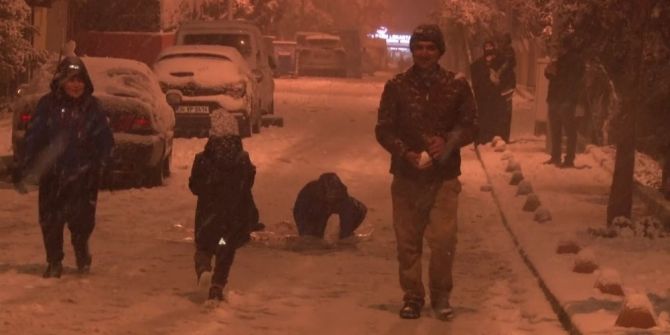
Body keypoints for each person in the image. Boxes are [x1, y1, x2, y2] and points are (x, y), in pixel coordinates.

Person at [375, 24, 478, 321]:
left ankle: (442, 295)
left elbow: (471, 124)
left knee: (444, 241)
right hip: (407, 177)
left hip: (444, 177)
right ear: (412, 50)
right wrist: (404, 152)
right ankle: (412, 296)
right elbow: (383, 129)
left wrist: (448, 141)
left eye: (430, 48)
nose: (424, 53)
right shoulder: (396, 86)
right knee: (408, 241)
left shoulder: (456, 85)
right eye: (419, 47)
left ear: (440, 51)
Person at [13, 56, 114, 278]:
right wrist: (28, 163)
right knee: (51, 221)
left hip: (83, 176)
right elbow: (34, 137)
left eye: (80, 80)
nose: (75, 85)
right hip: (53, 175)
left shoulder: (93, 107)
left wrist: (101, 162)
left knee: (81, 221)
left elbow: (104, 139)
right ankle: (54, 260)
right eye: (71, 80)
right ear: (61, 82)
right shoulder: (47, 106)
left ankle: (81, 251)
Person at [188, 110, 258, 301]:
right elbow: (247, 185)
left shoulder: (202, 159)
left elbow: (194, 186)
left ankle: (203, 270)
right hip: (230, 219)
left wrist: (209, 188)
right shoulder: (242, 159)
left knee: (203, 247)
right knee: (225, 250)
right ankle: (217, 285)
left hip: (207, 217)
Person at [544, 38, 586, 168]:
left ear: (565, 47)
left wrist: (553, 70)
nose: (557, 50)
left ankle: (567, 158)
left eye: (559, 47)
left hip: (565, 99)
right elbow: (551, 75)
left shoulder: (574, 60)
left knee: (567, 130)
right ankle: (557, 156)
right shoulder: (560, 60)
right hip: (557, 98)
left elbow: (571, 80)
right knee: (558, 129)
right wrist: (549, 70)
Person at [293, 172, 367, 240]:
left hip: (331, 205)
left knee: (345, 236)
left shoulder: (345, 202)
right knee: (311, 235)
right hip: (315, 205)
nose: (332, 195)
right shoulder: (310, 193)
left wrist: (346, 233)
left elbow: (359, 212)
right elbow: (299, 211)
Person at [470, 40, 513, 144]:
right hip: (484, 96)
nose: (488, 49)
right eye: (486, 47)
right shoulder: (478, 64)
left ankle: (499, 137)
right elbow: (476, 79)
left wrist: (500, 82)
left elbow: (509, 76)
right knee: (485, 116)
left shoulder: (501, 61)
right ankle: (485, 137)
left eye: (490, 46)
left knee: (499, 116)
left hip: (498, 95)